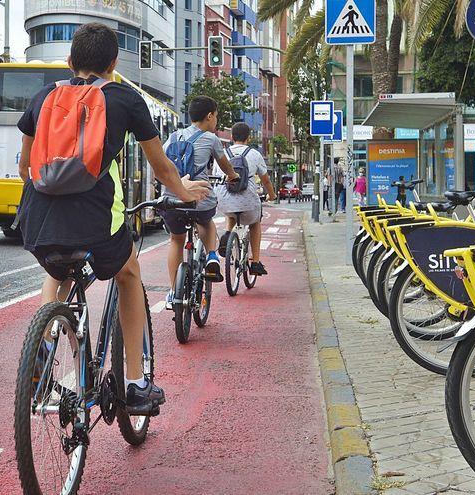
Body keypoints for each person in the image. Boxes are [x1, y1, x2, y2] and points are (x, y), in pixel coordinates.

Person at [16, 23, 210, 414]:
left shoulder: (42, 98)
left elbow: (25, 169)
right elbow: (163, 168)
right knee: (129, 273)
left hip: (38, 223)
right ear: (114, 62)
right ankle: (136, 382)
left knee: (56, 270)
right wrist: (186, 192)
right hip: (96, 222)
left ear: (69, 62)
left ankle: (44, 345)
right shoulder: (124, 98)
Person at [161, 96, 239, 308]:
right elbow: (225, 165)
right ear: (210, 116)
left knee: (176, 240)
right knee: (206, 221)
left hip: (173, 198)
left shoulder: (174, 136)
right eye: (216, 116)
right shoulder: (211, 139)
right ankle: (212, 256)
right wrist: (233, 176)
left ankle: (173, 292)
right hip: (199, 198)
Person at [215, 122, 278, 275]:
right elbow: (266, 180)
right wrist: (272, 195)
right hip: (248, 201)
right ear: (248, 138)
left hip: (224, 200)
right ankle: (255, 263)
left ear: (231, 137)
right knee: (255, 223)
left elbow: (218, 177)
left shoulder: (223, 153)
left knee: (231, 212)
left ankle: (228, 235)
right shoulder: (254, 154)